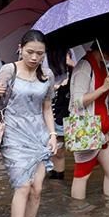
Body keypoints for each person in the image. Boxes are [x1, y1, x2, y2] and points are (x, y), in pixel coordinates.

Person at [0, 30, 57, 217]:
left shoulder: (47, 75)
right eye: (30, 52)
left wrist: (53, 134)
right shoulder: (9, 70)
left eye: (40, 53)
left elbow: (47, 108)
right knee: (23, 186)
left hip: (38, 134)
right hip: (13, 133)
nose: (34, 57)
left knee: (37, 189)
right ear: (20, 49)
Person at [69, 32, 109, 200]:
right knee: (82, 174)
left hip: (100, 130)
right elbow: (78, 101)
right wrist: (102, 89)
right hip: (86, 128)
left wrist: (108, 92)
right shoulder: (84, 67)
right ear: (107, 50)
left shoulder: (100, 65)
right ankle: (79, 216)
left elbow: (100, 99)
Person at [44, 47, 76, 180]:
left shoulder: (70, 59)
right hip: (46, 113)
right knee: (51, 152)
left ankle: (56, 181)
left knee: (59, 151)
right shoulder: (42, 60)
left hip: (63, 114)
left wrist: (72, 65)